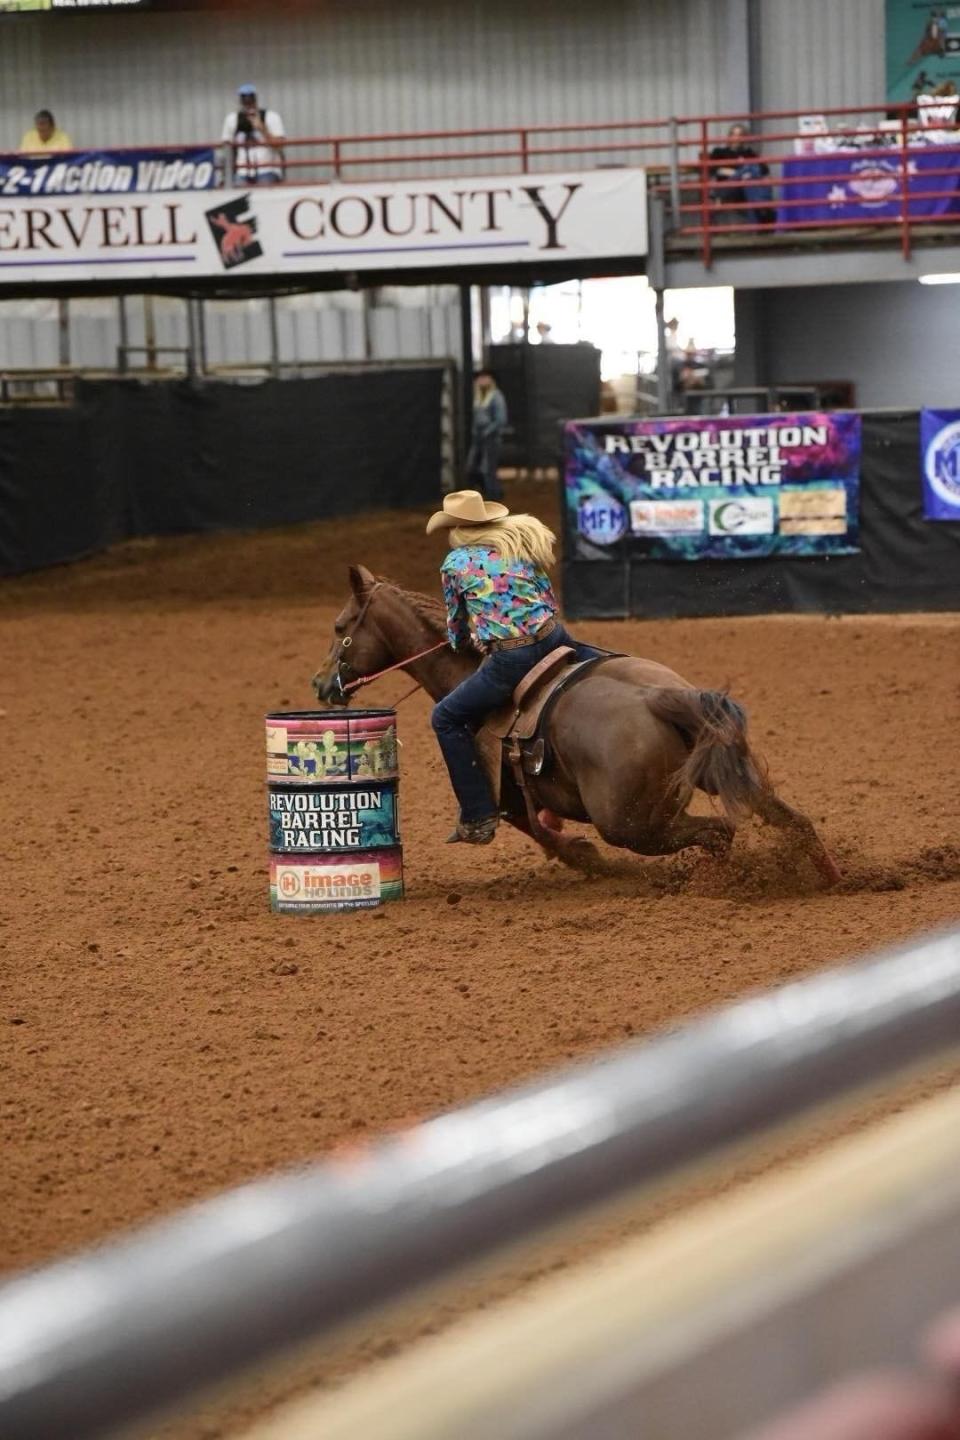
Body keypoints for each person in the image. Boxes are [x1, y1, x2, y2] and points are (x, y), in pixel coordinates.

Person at [427, 490, 603, 844]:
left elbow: (457, 626)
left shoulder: (456, 563)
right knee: (608, 663)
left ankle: (478, 815)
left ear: (456, 528)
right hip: (555, 639)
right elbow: (547, 600)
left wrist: (472, 642)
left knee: (445, 718)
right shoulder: (518, 546)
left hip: (511, 659)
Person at [709, 122, 772, 226]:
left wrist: (747, 171)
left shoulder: (749, 153)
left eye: (740, 135)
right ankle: (763, 209)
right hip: (726, 188)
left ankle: (758, 217)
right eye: (734, 134)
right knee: (749, 170)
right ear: (729, 136)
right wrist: (738, 173)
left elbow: (764, 169)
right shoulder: (719, 152)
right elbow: (713, 169)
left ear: (744, 138)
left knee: (750, 176)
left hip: (743, 189)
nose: (736, 138)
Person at [222, 84, 285, 185]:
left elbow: (280, 145)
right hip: (242, 171)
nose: (248, 103)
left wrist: (262, 129)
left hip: (267, 170)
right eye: (244, 99)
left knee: (264, 187)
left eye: (251, 99)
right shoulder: (232, 119)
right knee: (237, 188)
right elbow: (227, 148)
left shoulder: (271, 117)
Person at [466, 368, 508, 501]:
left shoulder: (496, 396)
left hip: (491, 437)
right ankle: (492, 492)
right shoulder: (478, 397)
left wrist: (488, 431)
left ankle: (493, 496)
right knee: (473, 467)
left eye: (485, 377)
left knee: (487, 469)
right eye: (480, 378)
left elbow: (501, 420)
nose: (482, 380)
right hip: (479, 436)